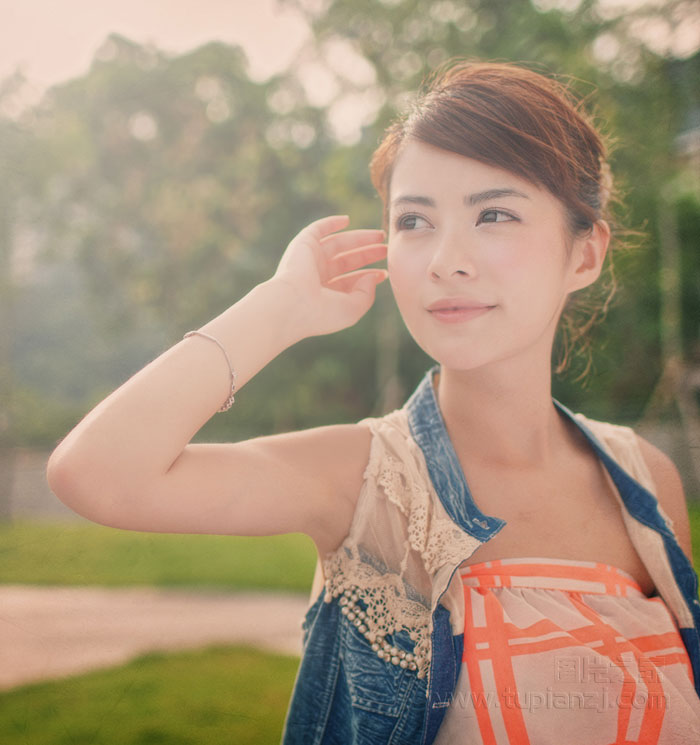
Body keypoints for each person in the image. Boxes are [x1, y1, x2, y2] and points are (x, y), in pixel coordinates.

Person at [47, 60, 700, 744]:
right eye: (415, 221)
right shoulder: (366, 481)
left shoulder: (645, 482)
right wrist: (281, 308)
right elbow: (95, 473)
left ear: (585, 253)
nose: (447, 258)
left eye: (495, 214)